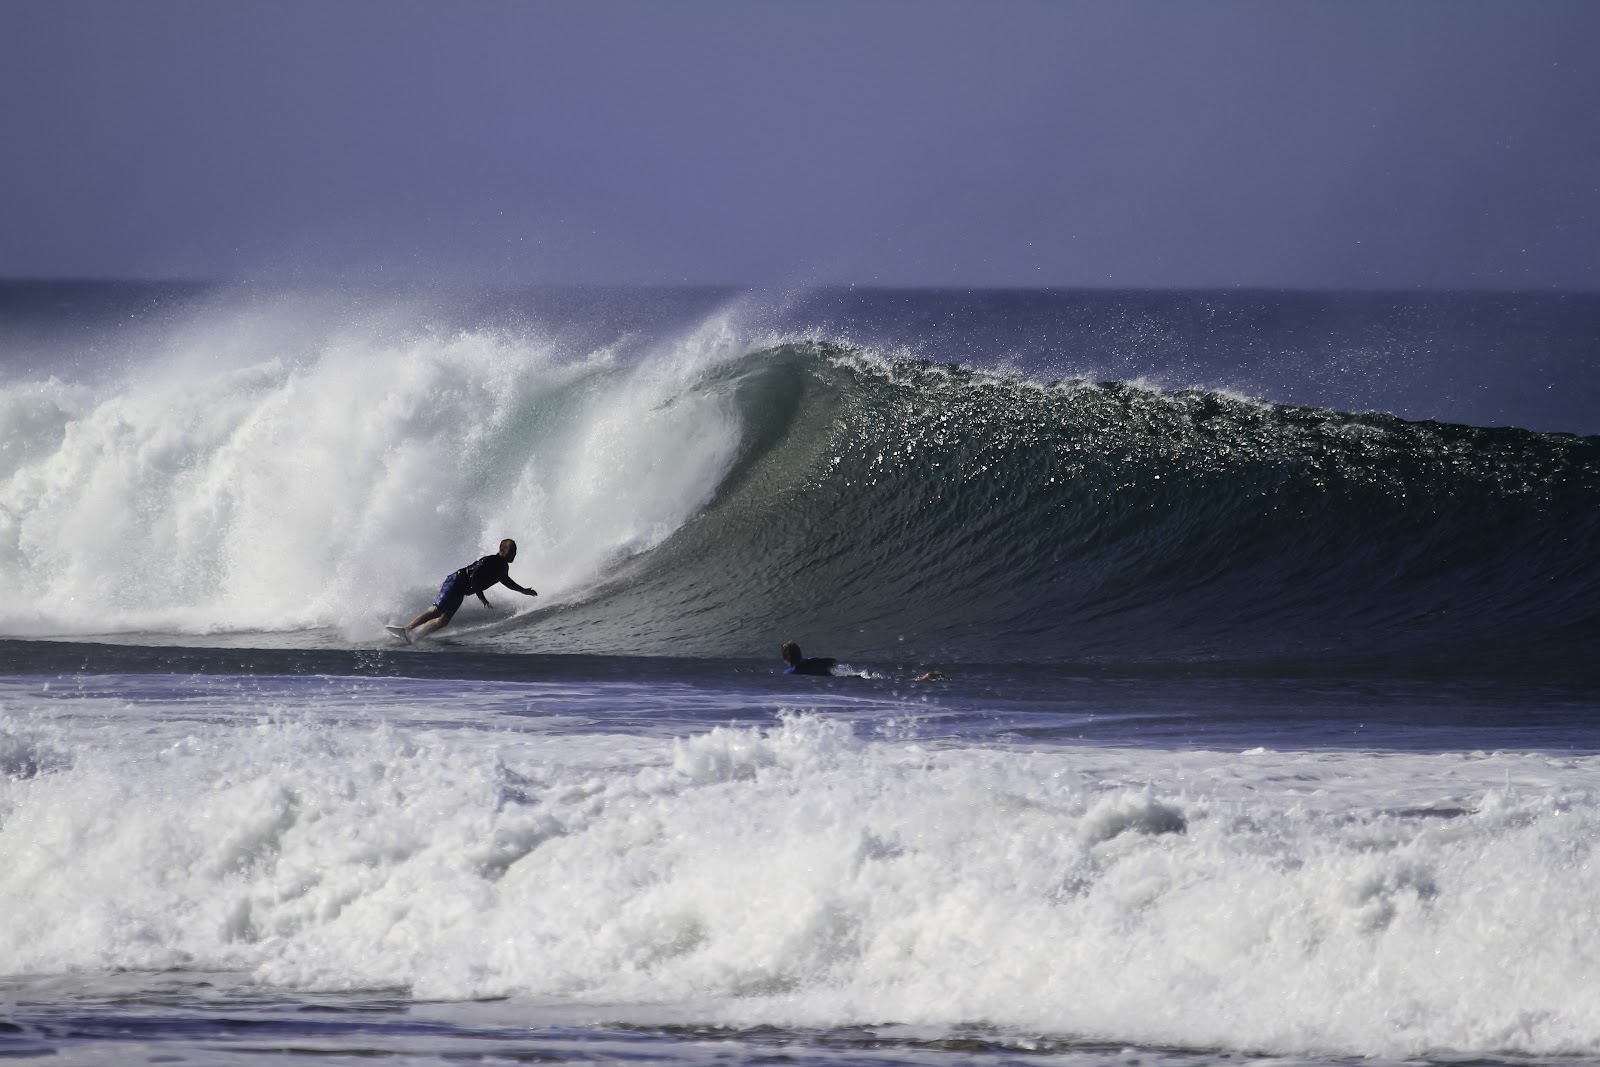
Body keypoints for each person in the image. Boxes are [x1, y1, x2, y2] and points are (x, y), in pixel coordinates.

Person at [388, 539, 537, 642]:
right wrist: (482, 599)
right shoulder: (490, 561)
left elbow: (506, 581)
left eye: (515, 551)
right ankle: (406, 629)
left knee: (443, 621)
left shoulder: (503, 568)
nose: (514, 554)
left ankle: (416, 636)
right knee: (437, 611)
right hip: (455, 582)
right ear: (502, 550)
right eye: (512, 551)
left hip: (461, 591)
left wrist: (524, 590)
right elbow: (473, 577)